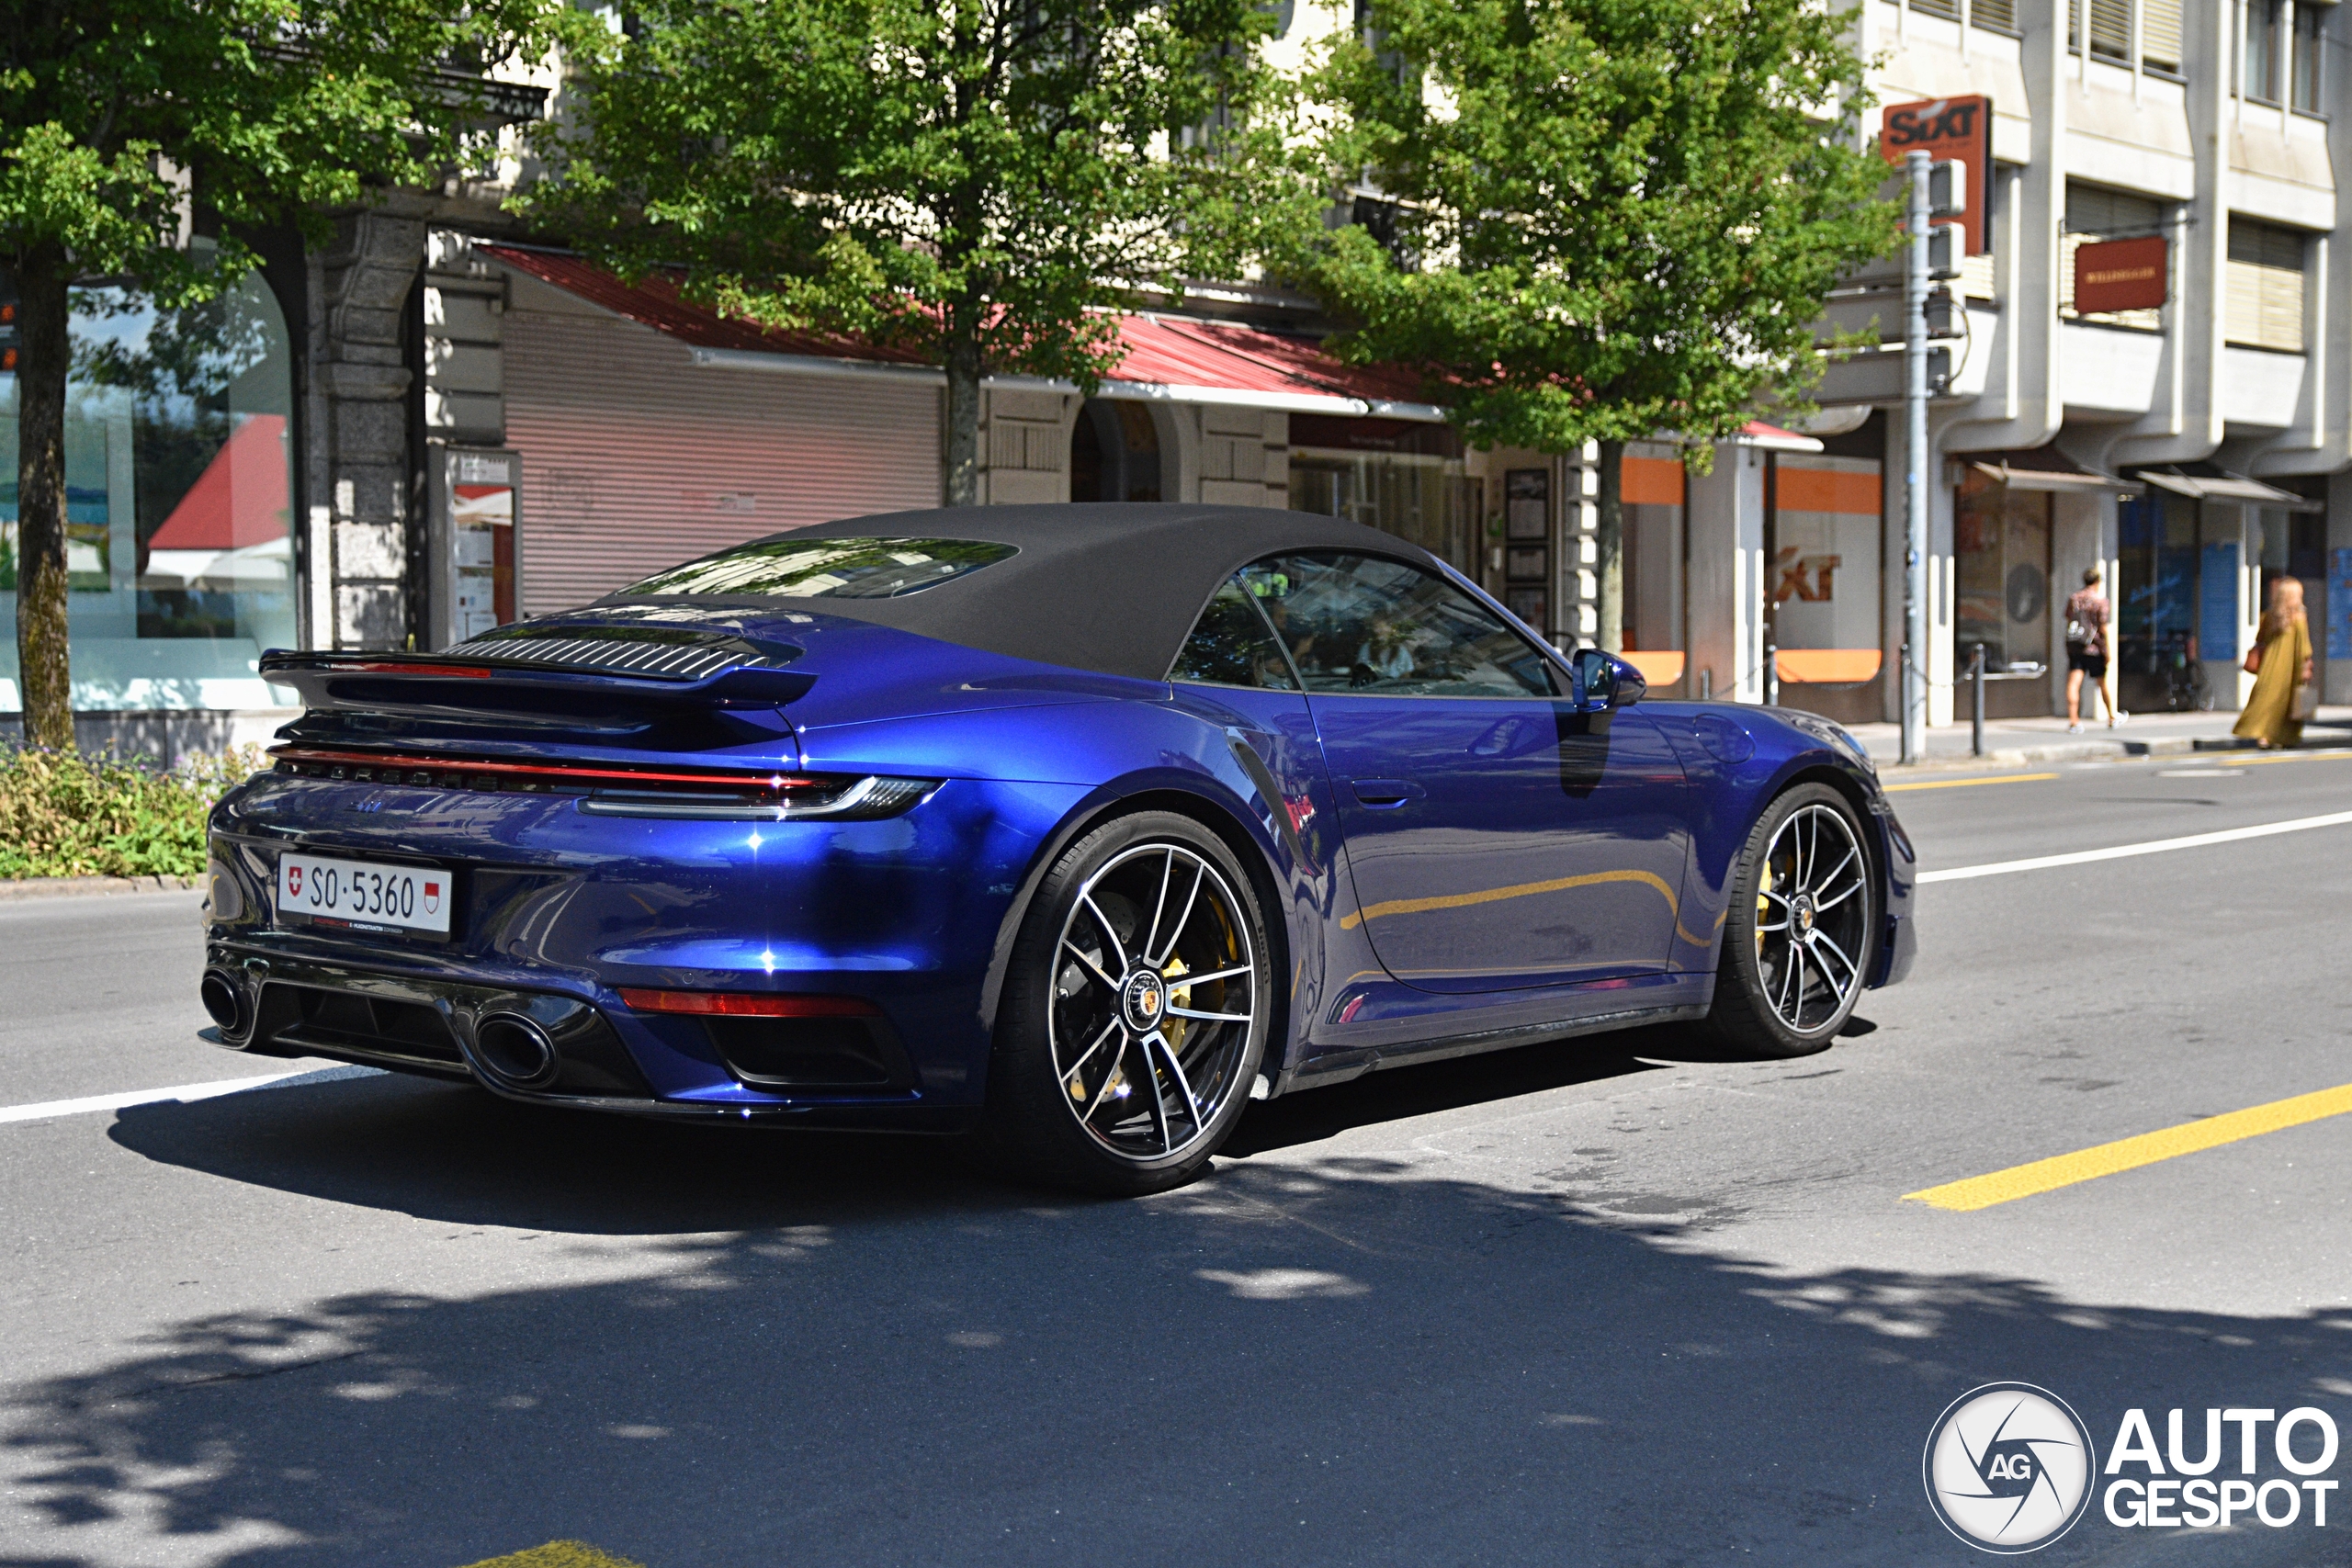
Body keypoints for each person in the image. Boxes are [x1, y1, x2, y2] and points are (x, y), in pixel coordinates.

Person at [2233, 575, 2314, 749]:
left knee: (2264, 700)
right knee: (2287, 704)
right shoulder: (2299, 618)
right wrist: (2305, 666)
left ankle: (2263, 736)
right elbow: (2304, 647)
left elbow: (2259, 638)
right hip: (2290, 668)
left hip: (2269, 667)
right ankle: (2283, 737)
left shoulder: (2269, 617)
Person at [2063, 566, 2124, 732]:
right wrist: (2108, 650)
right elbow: (2102, 627)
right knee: (2102, 682)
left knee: (2074, 683)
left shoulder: (2074, 598)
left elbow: (2069, 619)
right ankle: (2112, 716)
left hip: (2076, 645)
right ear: (2097, 582)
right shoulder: (2100, 601)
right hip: (2093, 648)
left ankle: (2074, 721)